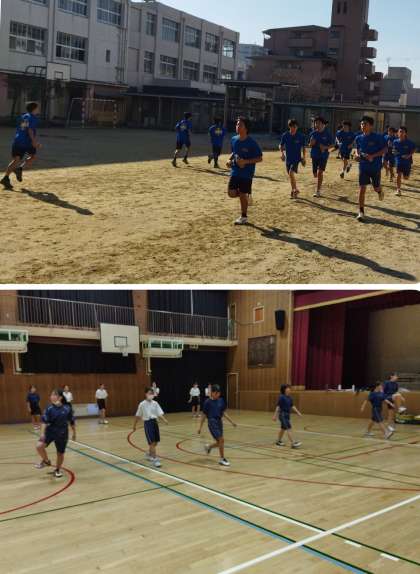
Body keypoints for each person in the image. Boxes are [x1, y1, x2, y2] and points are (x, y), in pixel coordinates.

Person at [227, 116, 263, 225]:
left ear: (246, 128)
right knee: (231, 193)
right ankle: (245, 196)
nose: (237, 126)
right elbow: (234, 152)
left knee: (242, 193)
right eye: (237, 124)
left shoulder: (252, 143)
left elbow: (260, 158)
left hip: (247, 174)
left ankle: (243, 216)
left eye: (240, 125)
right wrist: (229, 160)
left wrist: (245, 162)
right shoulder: (233, 139)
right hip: (235, 171)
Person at [35, 389, 76, 478]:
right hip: (50, 432)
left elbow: (71, 421)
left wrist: (74, 433)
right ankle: (46, 461)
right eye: (51, 395)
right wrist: (42, 433)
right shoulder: (49, 408)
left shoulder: (67, 408)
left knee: (60, 453)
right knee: (39, 446)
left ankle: (57, 470)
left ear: (60, 397)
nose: (51, 396)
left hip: (62, 434)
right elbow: (44, 422)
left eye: (54, 395)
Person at [1, 101, 41, 190]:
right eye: (37, 108)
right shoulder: (33, 118)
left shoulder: (24, 116)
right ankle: (18, 170)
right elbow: (30, 130)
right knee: (32, 157)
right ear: (34, 109)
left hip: (18, 140)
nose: (38, 109)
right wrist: (34, 142)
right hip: (26, 142)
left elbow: (23, 128)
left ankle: (7, 177)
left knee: (17, 160)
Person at [354, 116, 387, 222]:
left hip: (375, 167)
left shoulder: (378, 137)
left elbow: (385, 149)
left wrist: (373, 156)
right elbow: (357, 150)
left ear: (371, 126)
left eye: (365, 124)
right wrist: (356, 155)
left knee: (376, 187)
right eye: (362, 124)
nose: (363, 126)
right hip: (363, 167)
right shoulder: (358, 138)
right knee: (362, 189)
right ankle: (361, 212)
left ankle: (379, 191)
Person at [198, 383, 237, 467]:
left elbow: (223, 413)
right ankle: (222, 459)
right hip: (212, 422)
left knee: (220, 441)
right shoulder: (207, 402)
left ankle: (208, 447)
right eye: (216, 393)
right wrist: (200, 427)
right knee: (221, 440)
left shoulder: (221, 401)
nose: (218, 395)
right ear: (212, 393)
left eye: (219, 393)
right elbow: (204, 415)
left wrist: (232, 422)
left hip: (219, 422)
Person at [133, 386, 168, 468]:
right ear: (145, 394)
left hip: (155, 422)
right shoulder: (142, 404)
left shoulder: (155, 403)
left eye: (152, 393)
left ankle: (149, 454)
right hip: (148, 423)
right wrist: (134, 425)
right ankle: (155, 460)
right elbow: (138, 416)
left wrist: (164, 419)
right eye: (149, 393)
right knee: (152, 442)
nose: (151, 395)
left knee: (155, 442)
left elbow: (159, 413)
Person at [280, 119, 307, 199]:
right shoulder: (285, 135)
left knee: (291, 172)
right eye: (292, 127)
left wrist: (304, 158)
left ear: (297, 127)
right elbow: (281, 145)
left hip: (296, 159)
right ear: (289, 127)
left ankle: (294, 189)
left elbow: (303, 148)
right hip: (288, 159)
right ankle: (294, 190)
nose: (294, 128)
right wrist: (282, 153)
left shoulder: (301, 136)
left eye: (295, 127)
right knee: (290, 175)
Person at [309, 117, 334, 197]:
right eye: (316, 123)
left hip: (323, 156)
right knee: (315, 174)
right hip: (314, 155)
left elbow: (332, 145)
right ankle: (316, 175)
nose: (317, 125)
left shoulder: (328, 134)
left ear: (323, 125)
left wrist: (325, 147)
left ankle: (318, 190)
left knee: (320, 172)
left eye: (319, 123)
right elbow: (310, 145)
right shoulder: (313, 133)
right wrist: (311, 143)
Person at [272, 384, 302, 448]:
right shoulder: (281, 397)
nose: (289, 389)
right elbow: (278, 406)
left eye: (289, 388)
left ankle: (278, 441)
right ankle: (293, 443)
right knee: (288, 428)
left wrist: (298, 412)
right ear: (284, 389)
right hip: (283, 415)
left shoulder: (290, 397)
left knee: (283, 428)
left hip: (287, 415)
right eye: (288, 388)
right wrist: (275, 415)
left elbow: (292, 406)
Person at [393, 127, 416, 197]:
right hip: (399, 160)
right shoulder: (395, 141)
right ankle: (398, 189)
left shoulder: (409, 142)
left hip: (407, 162)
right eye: (400, 132)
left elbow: (414, 149)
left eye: (402, 132)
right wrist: (394, 152)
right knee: (398, 174)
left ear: (405, 133)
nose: (401, 133)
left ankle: (405, 175)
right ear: (397, 133)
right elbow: (394, 150)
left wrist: (409, 155)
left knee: (406, 177)